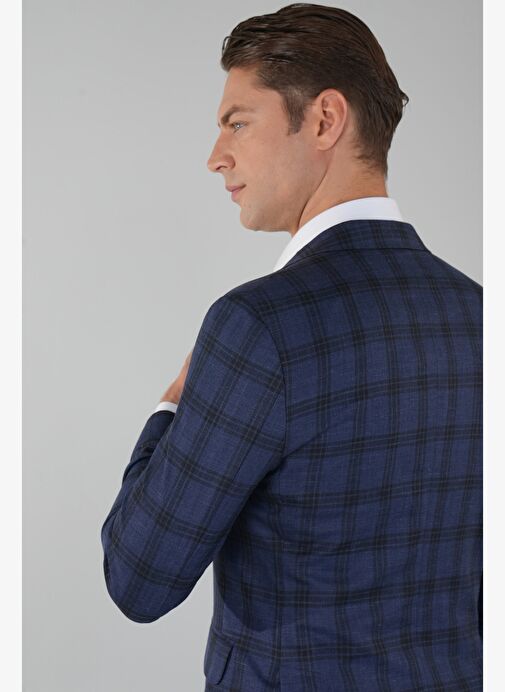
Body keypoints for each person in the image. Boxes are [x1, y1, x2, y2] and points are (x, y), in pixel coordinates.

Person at [100, 4, 483, 690]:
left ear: (325, 119)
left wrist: (168, 409)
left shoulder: (258, 326)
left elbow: (139, 578)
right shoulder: (479, 314)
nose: (215, 156)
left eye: (237, 122)